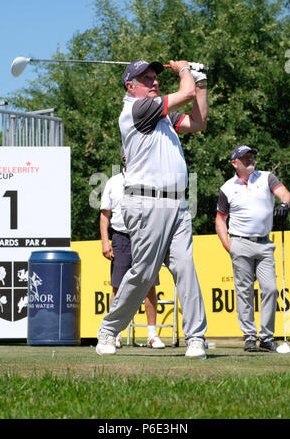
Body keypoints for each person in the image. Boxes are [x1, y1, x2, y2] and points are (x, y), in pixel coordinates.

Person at [96, 59, 209, 359]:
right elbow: (184, 93)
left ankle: (195, 338)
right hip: (147, 202)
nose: (155, 82)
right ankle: (110, 328)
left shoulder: (162, 116)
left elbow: (199, 122)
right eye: (146, 79)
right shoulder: (137, 110)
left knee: (185, 268)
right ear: (130, 86)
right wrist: (185, 70)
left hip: (177, 203)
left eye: (156, 77)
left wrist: (202, 83)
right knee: (144, 273)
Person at [215, 145, 290, 352]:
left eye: (251, 156)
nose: (250, 159)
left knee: (271, 289)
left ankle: (266, 337)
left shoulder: (267, 177)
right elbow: (220, 220)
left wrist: (284, 205)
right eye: (244, 157)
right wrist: (228, 245)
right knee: (244, 292)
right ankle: (250, 336)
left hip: (265, 243)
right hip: (240, 242)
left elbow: (285, 194)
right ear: (234, 163)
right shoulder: (227, 187)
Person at [99, 147, 165, 349]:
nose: (131, 158)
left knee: (149, 286)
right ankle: (114, 333)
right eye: (128, 155)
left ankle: (152, 335)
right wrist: (105, 241)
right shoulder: (112, 182)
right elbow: (105, 215)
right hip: (121, 238)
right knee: (118, 287)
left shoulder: (151, 180)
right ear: (123, 158)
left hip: (145, 238)